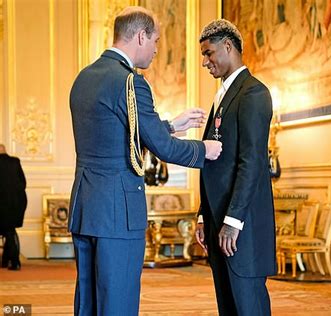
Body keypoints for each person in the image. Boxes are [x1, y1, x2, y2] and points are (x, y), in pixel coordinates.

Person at [68, 7, 222, 316]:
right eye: (155, 40)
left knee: (89, 301)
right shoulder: (130, 82)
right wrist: (203, 149)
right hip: (119, 211)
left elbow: (118, 134)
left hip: (85, 207)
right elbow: (163, 149)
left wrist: (170, 125)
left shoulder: (84, 78)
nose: (155, 49)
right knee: (118, 302)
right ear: (141, 36)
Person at [195, 19, 276, 316]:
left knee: (247, 306)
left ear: (228, 47)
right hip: (220, 220)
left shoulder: (253, 93)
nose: (205, 62)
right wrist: (204, 214)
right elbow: (213, 163)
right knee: (228, 306)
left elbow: (251, 162)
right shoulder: (224, 95)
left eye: (208, 53)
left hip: (242, 225)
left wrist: (233, 221)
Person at [0, 144, 27, 271]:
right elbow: (23, 183)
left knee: (8, 231)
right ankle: (8, 261)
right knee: (10, 231)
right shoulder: (15, 162)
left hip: (2, 206)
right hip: (17, 204)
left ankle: (13, 262)